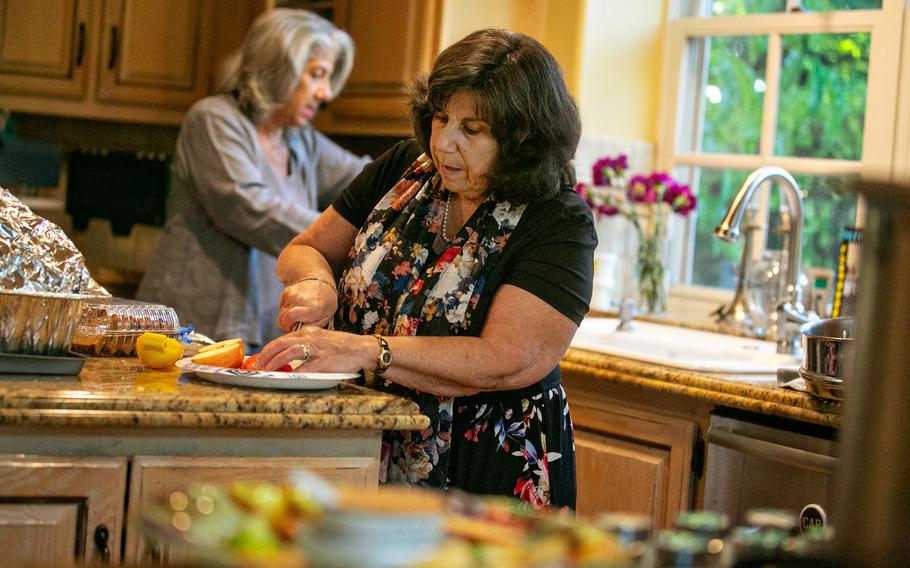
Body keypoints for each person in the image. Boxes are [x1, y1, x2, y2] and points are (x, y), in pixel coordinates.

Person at [258, 29, 596, 509]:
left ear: (522, 138)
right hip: (364, 447)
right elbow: (306, 248)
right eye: (441, 118)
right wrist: (316, 282)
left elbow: (507, 358)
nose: (444, 143)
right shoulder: (404, 169)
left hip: (487, 471)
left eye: (472, 130)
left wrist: (366, 350)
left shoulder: (558, 220)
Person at [137, 9, 369, 350]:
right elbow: (248, 208)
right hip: (191, 328)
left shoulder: (300, 139)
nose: (325, 93)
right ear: (280, 68)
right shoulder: (213, 120)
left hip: (264, 328)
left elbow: (366, 177)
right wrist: (344, 237)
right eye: (317, 75)